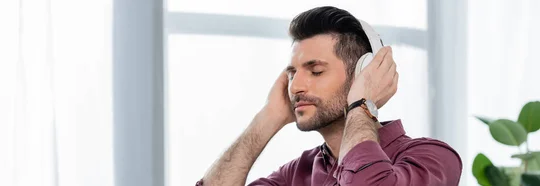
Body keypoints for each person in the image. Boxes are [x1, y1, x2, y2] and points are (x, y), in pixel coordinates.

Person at [196, 6, 462, 186]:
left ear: (362, 73)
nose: (295, 86)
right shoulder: (298, 173)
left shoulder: (433, 158)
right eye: (292, 73)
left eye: (315, 71)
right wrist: (266, 119)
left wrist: (361, 104)